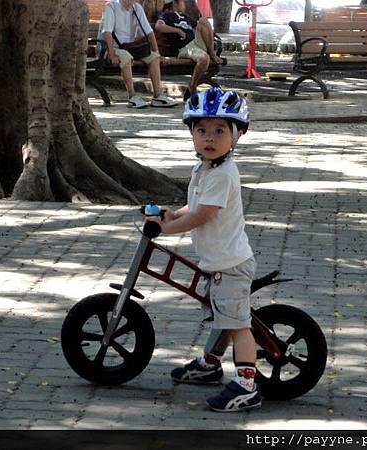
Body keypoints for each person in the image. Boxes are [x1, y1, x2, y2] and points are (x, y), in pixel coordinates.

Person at [145, 88, 261, 412]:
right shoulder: (205, 169)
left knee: (238, 324)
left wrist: (165, 229)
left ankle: (247, 386)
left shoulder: (224, 174)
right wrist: (171, 214)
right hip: (217, 262)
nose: (209, 138)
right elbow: (192, 206)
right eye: (202, 130)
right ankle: (210, 363)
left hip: (231, 265)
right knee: (221, 316)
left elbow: (203, 215)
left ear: (236, 136)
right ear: (192, 134)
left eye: (220, 131)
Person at [100, 0, 177, 108]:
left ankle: (157, 96)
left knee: (154, 58)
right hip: (112, 47)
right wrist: (112, 55)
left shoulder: (136, 8)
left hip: (129, 47)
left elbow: (149, 31)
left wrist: (157, 52)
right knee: (126, 58)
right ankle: (132, 96)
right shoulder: (111, 6)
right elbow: (107, 32)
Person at [155, 0, 224, 101]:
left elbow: (202, 27)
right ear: (175, 4)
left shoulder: (186, 17)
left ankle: (212, 53)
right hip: (184, 48)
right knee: (204, 59)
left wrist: (213, 38)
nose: (184, 5)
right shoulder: (167, 15)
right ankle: (193, 85)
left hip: (195, 44)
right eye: (182, 2)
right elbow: (158, 26)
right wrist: (177, 30)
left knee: (203, 20)